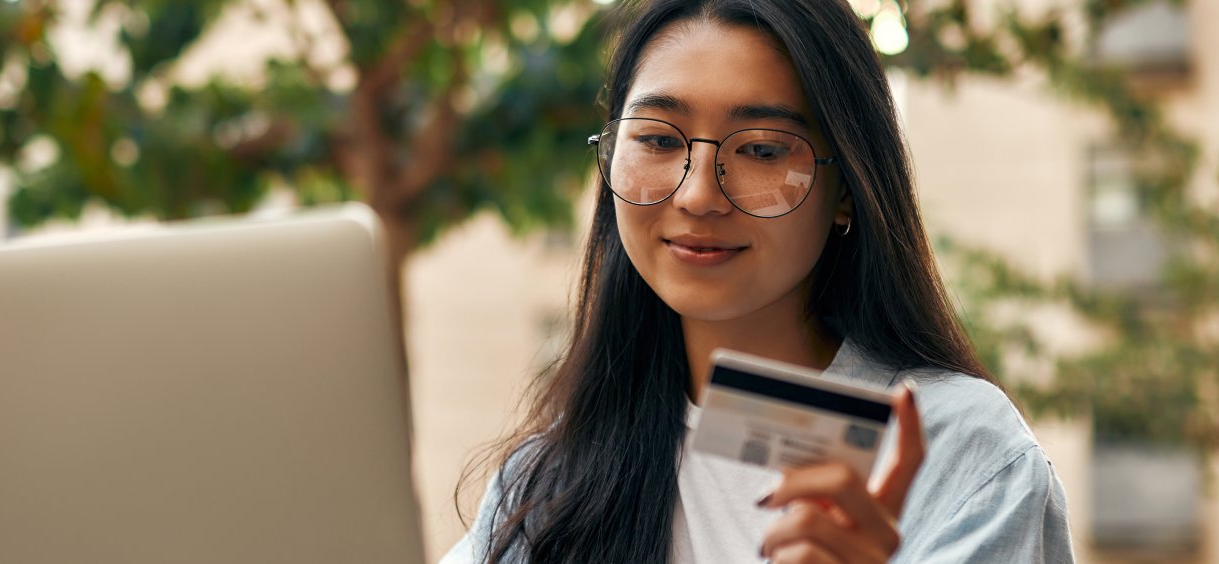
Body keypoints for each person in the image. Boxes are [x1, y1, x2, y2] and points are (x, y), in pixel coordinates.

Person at [442, 0, 1075, 562]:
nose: (697, 195)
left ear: (848, 189)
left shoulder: (965, 456)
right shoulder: (550, 481)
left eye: (763, 150)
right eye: (658, 140)